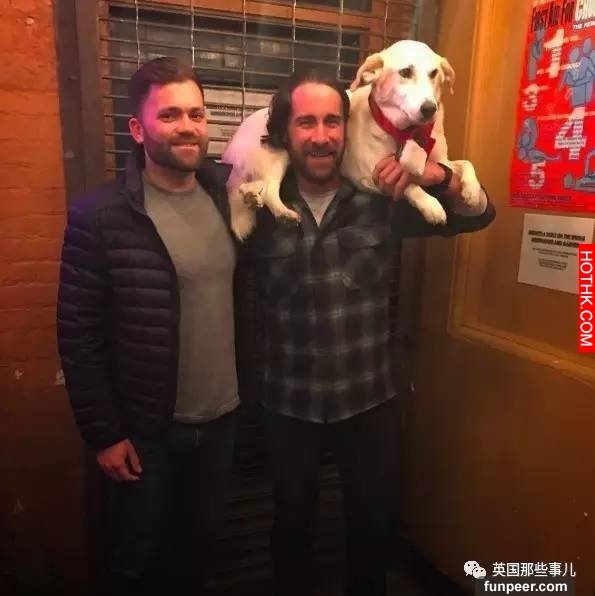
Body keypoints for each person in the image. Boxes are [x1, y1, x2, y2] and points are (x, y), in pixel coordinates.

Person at [244, 70, 496, 596]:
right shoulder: (259, 205)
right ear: (284, 131)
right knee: (290, 529)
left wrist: (436, 175)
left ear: (347, 126)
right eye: (306, 122)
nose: (321, 136)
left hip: (369, 401)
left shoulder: (383, 197)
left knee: (371, 529)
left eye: (332, 121)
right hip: (288, 404)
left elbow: (480, 214)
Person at [57, 57, 239, 596]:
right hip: (147, 434)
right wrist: (105, 434)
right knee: (136, 563)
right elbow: (78, 333)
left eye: (197, 114)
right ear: (138, 130)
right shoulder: (101, 215)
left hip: (223, 423)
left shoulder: (229, 196)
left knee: (200, 556)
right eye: (170, 115)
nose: (188, 126)